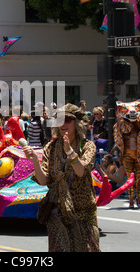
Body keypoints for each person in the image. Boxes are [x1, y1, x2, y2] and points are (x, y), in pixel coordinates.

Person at [22, 103, 100, 252]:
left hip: (83, 209)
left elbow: (80, 172)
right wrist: (34, 161)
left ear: (77, 124)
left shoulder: (87, 146)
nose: (63, 124)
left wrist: (70, 153)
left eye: (67, 121)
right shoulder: (50, 148)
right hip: (57, 209)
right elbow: (44, 180)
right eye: (59, 121)